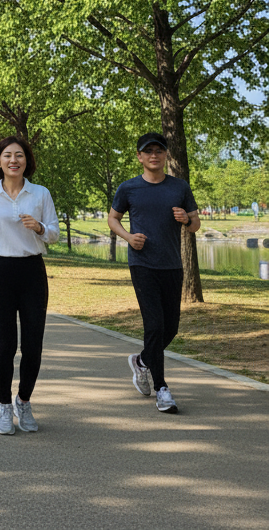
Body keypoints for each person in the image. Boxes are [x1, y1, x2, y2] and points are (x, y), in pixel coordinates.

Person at [0, 136, 59, 435]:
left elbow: (54, 233)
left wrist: (40, 227)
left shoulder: (40, 193)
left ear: (27, 161)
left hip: (32, 271)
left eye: (19, 155)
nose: (13, 160)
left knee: (33, 347)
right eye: (8, 155)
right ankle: (4, 405)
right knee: (6, 345)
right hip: (0, 272)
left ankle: (24, 401)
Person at [107, 132, 201, 414]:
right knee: (155, 325)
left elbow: (195, 224)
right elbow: (112, 218)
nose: (154, 155)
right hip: (142, 264)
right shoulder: (128, 188)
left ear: (166, 156)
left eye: (159, 150)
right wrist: (127, 236)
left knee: (171, 327)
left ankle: (142, 361)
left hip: (172, 264)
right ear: (140, 157)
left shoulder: (179, 187)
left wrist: (186, 220)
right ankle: (162, 389)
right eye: (148, 151)